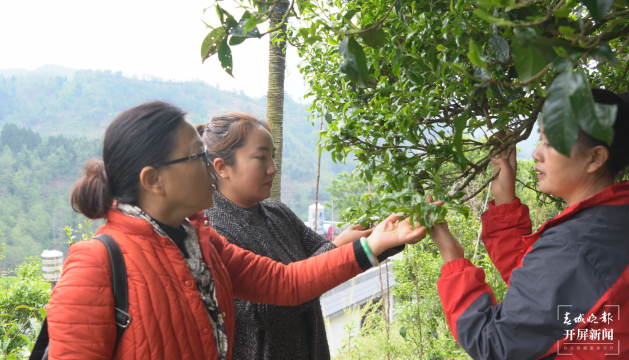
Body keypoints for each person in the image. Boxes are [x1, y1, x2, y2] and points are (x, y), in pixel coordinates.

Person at [46, 101, 425, 360]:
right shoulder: (95, 265)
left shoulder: (204, 246)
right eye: (198, 157)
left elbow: (286, 283)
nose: (210, 168)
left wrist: (372, 245)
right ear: (154, 180)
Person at [429, 89, 629, 359]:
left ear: (595, 158)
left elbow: (494, 344)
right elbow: (544, 288)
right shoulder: (611, 218)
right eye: (540, 140)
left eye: (551, 142)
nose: (536, 153)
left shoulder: (575, 246)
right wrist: (504, 199)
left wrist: (452, 257)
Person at [199, 114, 404, 360]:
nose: (272, 168)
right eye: (261, 157)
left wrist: (394, 235)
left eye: (272, 156)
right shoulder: (211, 230)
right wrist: (341, 246)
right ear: (222, 167)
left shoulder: (277, 213)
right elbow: (266, 311)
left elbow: (329, 262)